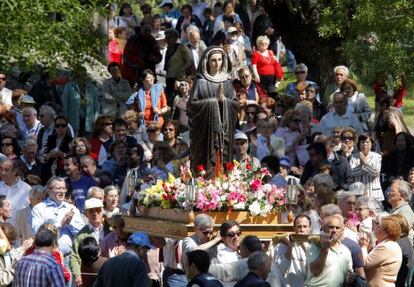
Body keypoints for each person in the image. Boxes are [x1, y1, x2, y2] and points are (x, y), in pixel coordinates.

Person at [188, 46, 239, 176]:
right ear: (207, 62)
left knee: (223, 162)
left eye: (220, 60)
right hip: (205, 133)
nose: (217, 63)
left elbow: (235, 104)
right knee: (206, 164)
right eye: (213, 60)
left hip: (224, 131)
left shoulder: (227, 82)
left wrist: (225, 102)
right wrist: (213, 102)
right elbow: (192, 106)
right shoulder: (200, 82)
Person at [31, 177, 85, 257]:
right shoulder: (39, 209)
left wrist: (70, 224)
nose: (62, 192)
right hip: (47, 257)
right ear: (49, 190)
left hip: (69, 257)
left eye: (64, 188)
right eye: (58, 188)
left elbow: (82, 233)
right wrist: (60, 224)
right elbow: (37, 233)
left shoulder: (72, 208)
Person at [70, 198, 110, 287]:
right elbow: (74, 256)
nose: (95, 213)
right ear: (86, 214)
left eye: (98, 210)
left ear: (102, 211)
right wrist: (78, 275)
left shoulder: (110, 230)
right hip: (90, 275)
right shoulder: (81, 235)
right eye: (91, 211)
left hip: (109, 274)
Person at [304, 214, 352, 287]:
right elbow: (315, 272)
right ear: (323, 229)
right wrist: (325, 249)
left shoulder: (346, 251)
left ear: (342, 231)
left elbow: (348, 275)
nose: (334, 230)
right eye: (331, 227)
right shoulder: (314, 247)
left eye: (337, 228)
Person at [359, 215, 402, 287]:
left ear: (386, 233)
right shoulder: (388, 244)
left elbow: (365, 263)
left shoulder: (386, 246)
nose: (376, 228)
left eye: (379, 226)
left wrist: (363, 246)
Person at [272, 214, 311, 287]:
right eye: (299, 226)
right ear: (294, 228)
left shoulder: (313, 246)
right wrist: (290, 245)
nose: (302, 230)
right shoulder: (282, 245)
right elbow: (281, 269)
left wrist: (305, 247)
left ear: (310, 228)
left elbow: (314, 271)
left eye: (305, 226)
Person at [121, 24, 162, 88]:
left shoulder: (152, 41)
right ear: (141, 30)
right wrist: (138, 62)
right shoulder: (133, 39)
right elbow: (126, 56)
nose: (147, 33)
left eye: (149, 31)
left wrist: (152, 58)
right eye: (145, 30)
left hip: (148, 71)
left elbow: (159, 57)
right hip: (132, 72)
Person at [61, 68, 99, 136]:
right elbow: (64, 104)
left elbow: (96, 106)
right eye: (79, 75)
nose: (82, 77)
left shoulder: (91, 87)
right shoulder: (69, 87)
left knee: (87, 142)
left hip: (88, 121)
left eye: (83, 75)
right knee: (74, 140)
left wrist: (95, 119)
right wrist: (66, 118)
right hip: (73, 120)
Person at [351, 134, 383, 201]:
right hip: (359, 193)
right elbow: (351, 172)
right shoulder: (353, 157)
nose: (365, 144)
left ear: (371, 144)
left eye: (367, 142)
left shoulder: (377, 156)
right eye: (362, 142)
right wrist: (362, 167)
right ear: (359, 144)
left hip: (374, 194)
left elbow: (375, 172)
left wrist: (365, 163)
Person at [0, 160, 31, 225]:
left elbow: (28, 212)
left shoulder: (26, 189)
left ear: (14, 172)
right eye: (1, 169)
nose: (2, 173)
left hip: (17, 230)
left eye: (6, 170)